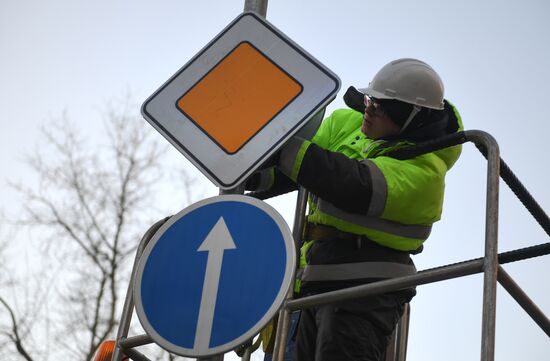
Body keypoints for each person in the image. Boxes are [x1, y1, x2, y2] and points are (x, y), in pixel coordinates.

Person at [250, 58, 463, 361]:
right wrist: (255, 172)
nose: (370, 109)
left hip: (366, 291)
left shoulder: (426, 172)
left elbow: (353, 184)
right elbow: (294, 169)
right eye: (370, 99)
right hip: (311, 280)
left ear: (412, 118)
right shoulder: (346, 124)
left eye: (383, 106)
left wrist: (283, 149)